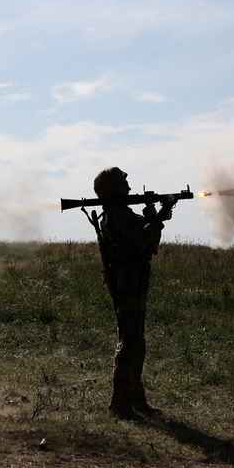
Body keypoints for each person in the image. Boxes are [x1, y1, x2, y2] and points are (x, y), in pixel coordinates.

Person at [92, 167, 176, 420]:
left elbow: (145, 231)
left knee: (136, 342)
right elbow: (145, 241)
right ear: (114, 189)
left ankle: (135, 400)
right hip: (127, 284)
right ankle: (120, 404)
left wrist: (156, 212)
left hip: (132, 282)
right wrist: (158, 215)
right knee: (130, 342)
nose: (129, 187)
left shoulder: (120, 214)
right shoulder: (116, 217)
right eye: (124, 183)